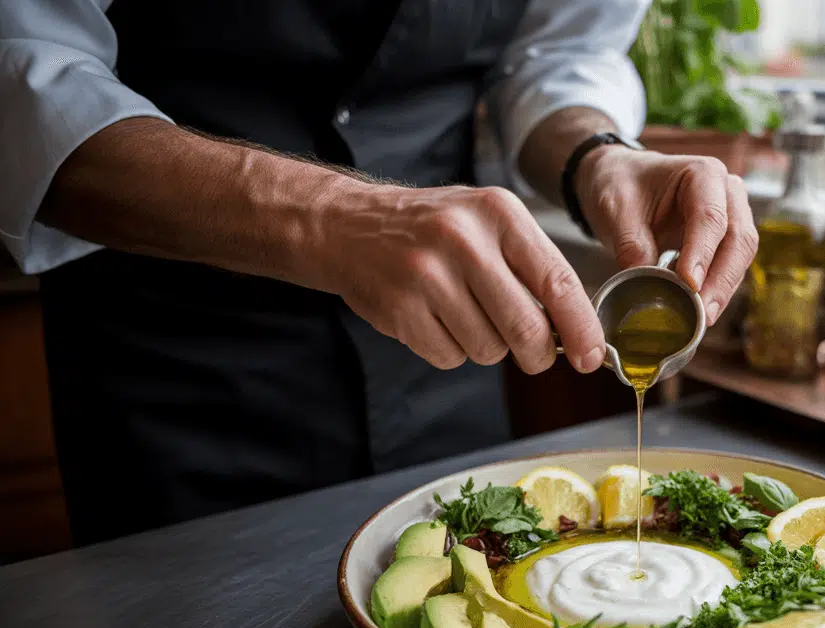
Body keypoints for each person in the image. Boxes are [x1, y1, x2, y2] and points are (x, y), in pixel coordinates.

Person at [0, 0, 757, 545]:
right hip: (179, 372)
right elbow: (27, 78)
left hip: (450, 358)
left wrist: (598, 154)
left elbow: (554, 58)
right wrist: (334, 216)